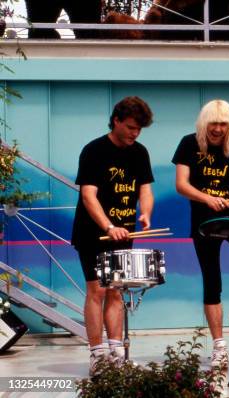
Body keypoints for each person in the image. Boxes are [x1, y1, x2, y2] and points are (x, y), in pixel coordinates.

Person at [172, 99, 229, 368]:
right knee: (212, 282)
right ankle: (219, 346)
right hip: (204, 221)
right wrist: (206, 198)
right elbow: (181, 185)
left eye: (223, 124)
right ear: (204, 123)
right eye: (214, 123)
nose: (218, 129)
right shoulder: (189, 143)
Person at [72, 96, 155, 375]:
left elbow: (145, 190)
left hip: (124, 232)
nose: (135, 133)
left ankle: (116, 351)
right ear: (116, 120)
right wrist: (108, 226)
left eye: (139, 129)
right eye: (131, 127)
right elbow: (88, 195)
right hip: (93, 232)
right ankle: (97, 353)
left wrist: (145, 213)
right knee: (97, 290)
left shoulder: (140, 152)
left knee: (117, 291)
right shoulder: (94, 150)